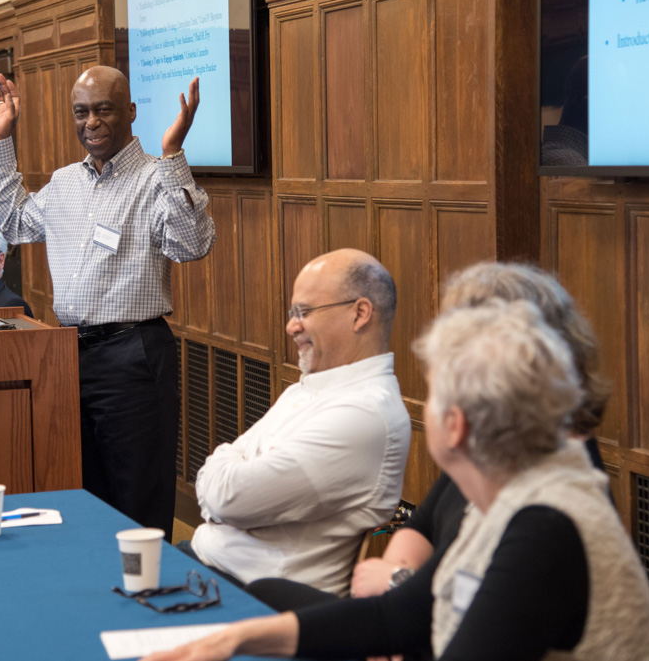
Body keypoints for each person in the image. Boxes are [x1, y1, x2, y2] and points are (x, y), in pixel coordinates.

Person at [144, 301, 649, 661]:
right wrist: (232, 639)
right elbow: (406, 613)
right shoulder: (508, 490)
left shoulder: (545, 524)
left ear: (456, 424)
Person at [249, 261, 613, 620]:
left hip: (443, 630)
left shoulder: (553, 498)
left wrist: (395, 584)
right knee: (264, 593)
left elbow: (463, 609)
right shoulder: (497, 440)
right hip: (422, 614)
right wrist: (395, 590)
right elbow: (424, 526)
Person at [0, 67, 215, 539]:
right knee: (83, 497)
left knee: (137, 501)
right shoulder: (65, 182)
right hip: (69, 356)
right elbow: (13, 224)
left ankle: (146, 598)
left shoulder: (156, 177)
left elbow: (192, 245)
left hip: (134, 355)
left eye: (103, 109)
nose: (91, 122)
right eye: (81, 112)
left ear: (129, 112)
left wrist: (173, 155)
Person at [185, 249, 410, 596]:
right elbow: (224, 486)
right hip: (207, 566)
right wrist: (226, 478)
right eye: (293, 313)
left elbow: (228, 499)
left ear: (360, 313)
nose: (291, 326)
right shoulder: (304, 389)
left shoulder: (364, 414)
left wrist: (228, 476)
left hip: (255, 600)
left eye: (304, 312)